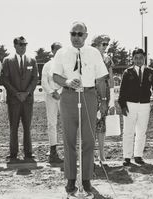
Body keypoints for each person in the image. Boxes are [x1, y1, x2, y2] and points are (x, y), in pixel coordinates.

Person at [52, 21, 108, 195]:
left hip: (89, 96)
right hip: (68, 97)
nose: (76, 37)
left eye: (79, 34)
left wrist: (104, 100)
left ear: (85, 35)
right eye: (73, 33)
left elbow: (100, 79)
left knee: (89, 140)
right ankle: (70, 180)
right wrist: (67, 81)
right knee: (69, 140)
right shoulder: (61, 53)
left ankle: (86, 179)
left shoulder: (94, 53)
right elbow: (55, 76)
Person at [118, 48, 153, 166]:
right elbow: (122, 91)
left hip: (145, 105)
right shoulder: (128, 72)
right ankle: (127, 156)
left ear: (144, 58)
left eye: (141, 58)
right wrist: (122, 105)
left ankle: (138, 155)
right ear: (132, 59)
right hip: (129, 105)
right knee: (128, 132)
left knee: (141, 132)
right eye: (136, 58)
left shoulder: (150, 72)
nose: (138, 60)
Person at [1, 36, 38, 161]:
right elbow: (4, 79)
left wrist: (26, 93)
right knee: (14, 127)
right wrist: (16, 93)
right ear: (15, 45)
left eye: (25, 45)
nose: (23, 47)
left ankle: (28, 152)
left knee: (27, 127)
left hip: (27, 100)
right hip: (14, 100)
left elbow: (35, 79)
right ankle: (13, 153)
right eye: (21, 44)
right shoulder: (7, 60)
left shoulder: (32, 60)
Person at [91, 34, 115, 162]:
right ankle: (89, 154)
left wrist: (110, 99)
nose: (106, 47)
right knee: (89, 125)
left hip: (104, 94)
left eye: (107, 44)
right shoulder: (89, 58)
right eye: (104, 44)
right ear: (96, 44)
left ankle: (101, 154)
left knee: (101, 126)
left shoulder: (107, 60)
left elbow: (111, 80)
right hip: (91, 94)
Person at [41, 42, 63, 164]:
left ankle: (68, 149)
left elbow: (67, 80)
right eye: (57, 49)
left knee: (66, 123)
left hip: (63, 96)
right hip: (50, 97)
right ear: (52, 51)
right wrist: (52, 92)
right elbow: (44, 82)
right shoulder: (47, 65)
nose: (59, 52)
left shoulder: (66, 64)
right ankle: (53, 150)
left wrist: (59, 91)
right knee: (51, 123)